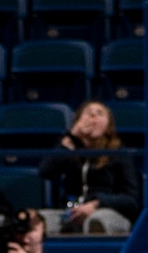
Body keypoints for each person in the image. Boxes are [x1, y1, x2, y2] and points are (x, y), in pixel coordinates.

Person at [40, 100, 141, 234]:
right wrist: (70, 138)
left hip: (107, 211)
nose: (93, 116)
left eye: (99, 114)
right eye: (88, 113)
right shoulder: (69, 149)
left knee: (95, 221)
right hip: (70, 212)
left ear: (108, 126)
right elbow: (45, 172)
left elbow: (130, 200)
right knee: (37, 220)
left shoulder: (119, 153)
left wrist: (96, 203)